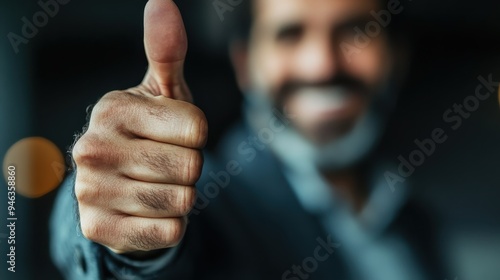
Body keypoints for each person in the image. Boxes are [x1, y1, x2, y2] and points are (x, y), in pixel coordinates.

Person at [51, 0, 446, 279]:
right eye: (290, 34)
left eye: (356, 31)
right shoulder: (209, 200)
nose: (322, 63)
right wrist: (122, 225)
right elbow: (135, 256)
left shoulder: (412, 218)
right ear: (245, 63)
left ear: (396, 56)